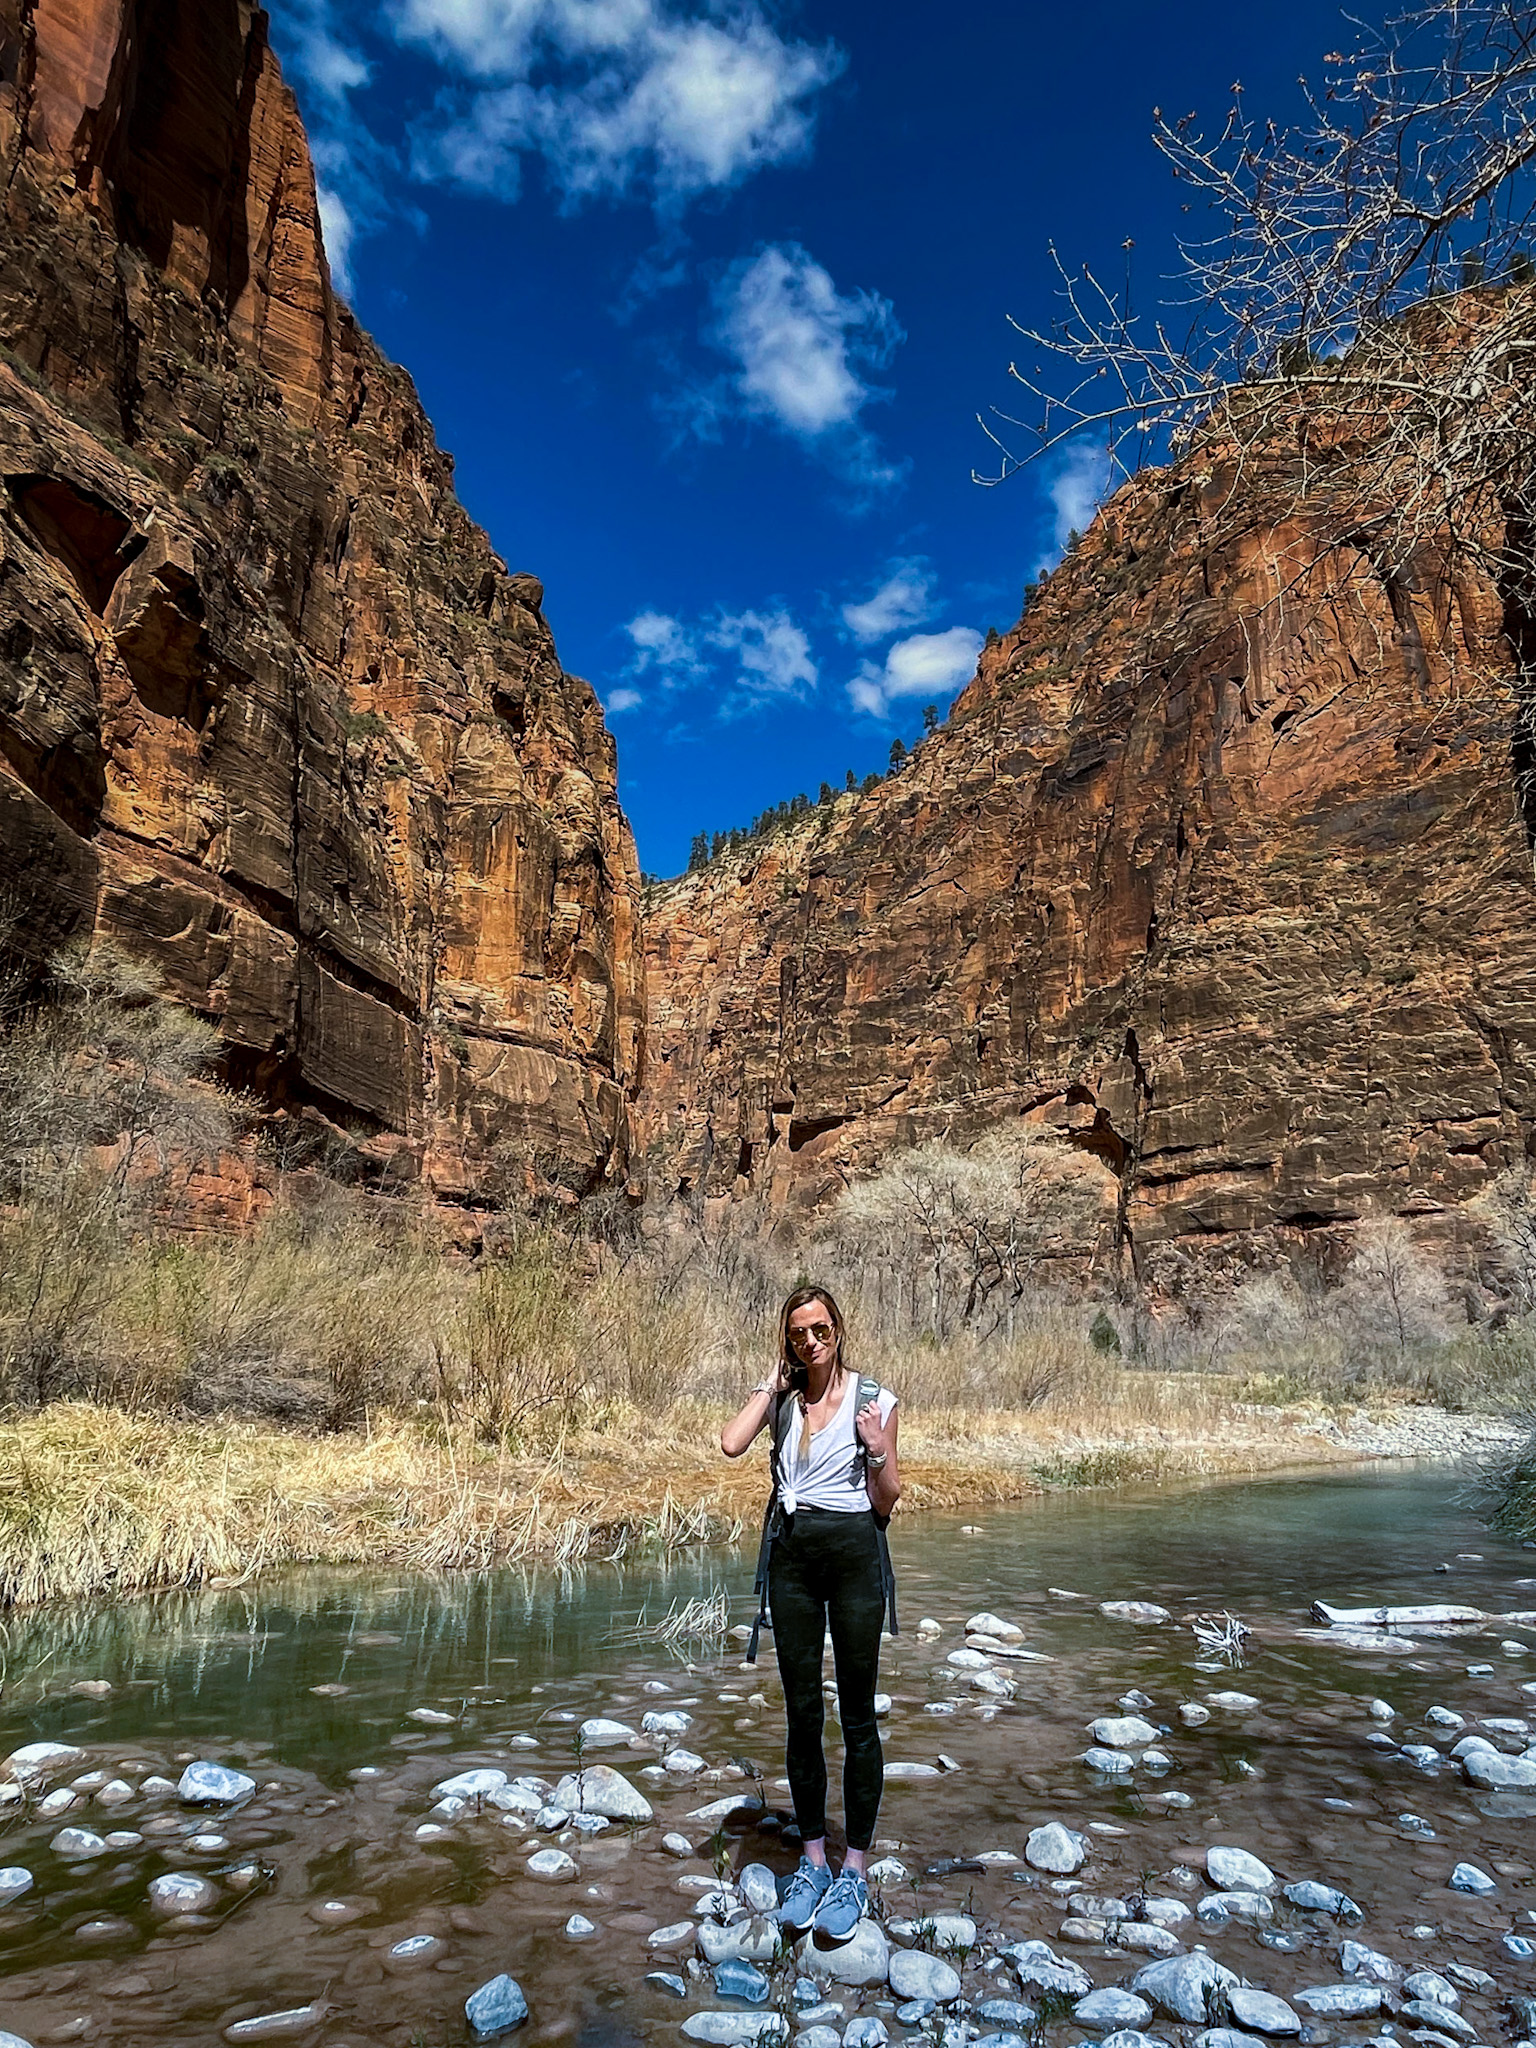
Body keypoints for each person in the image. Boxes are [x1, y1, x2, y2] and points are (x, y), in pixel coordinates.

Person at [720, 1285, 900, 1941]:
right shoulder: (786, 1403)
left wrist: (876, 1447)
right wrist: (770, 1385)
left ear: (838, 1329)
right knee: (802, 1711)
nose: (810, 1342)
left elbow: (887, 1500)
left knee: (856, 1713)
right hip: (792, 1561)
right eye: (798, 1333)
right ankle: (813, 1861)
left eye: (819, 1329)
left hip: (853, 1557)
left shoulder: (874, 1397)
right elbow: (730, 1443)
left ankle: (855, 1866)